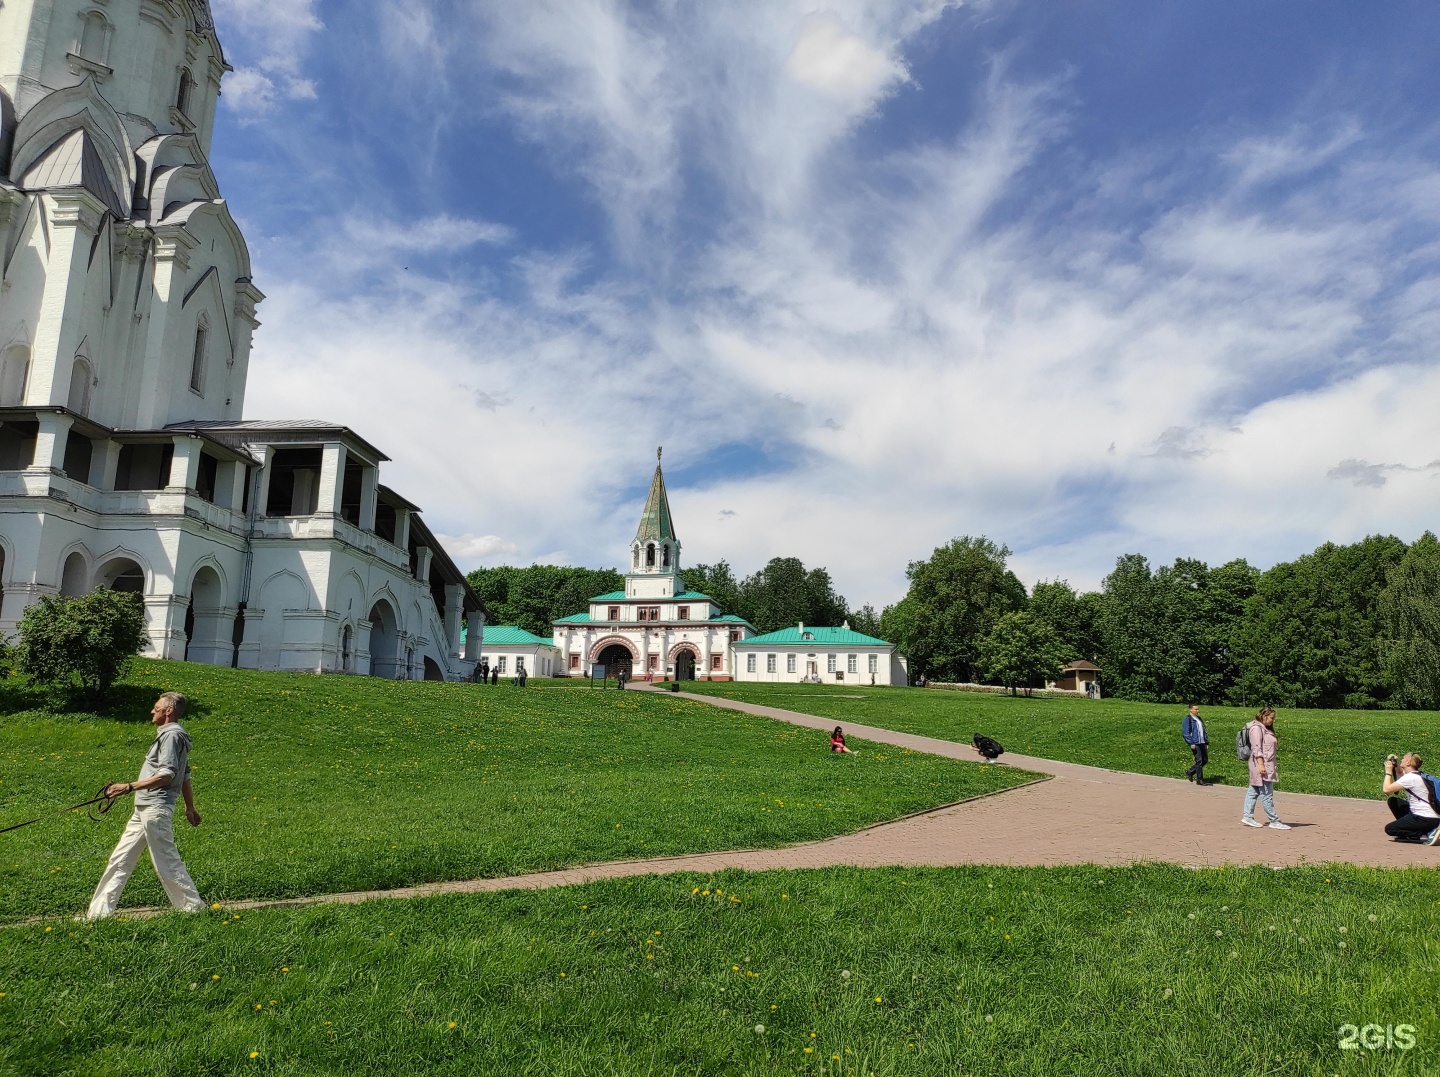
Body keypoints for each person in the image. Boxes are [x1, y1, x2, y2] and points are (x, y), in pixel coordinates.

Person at [85, 692, 206, 919]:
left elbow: (168, 775)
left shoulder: (172, 736)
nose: (153, 711)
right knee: (120, 859)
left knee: (167, 860)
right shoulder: (170, 736)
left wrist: (129, 786)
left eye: (156, 707)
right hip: (145, 808)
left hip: (156, 808)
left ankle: (193, 909)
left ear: (168, 710)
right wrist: (189, 807)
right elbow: (185, 775)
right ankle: (98, 915)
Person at [1241, 707, 1290, 830]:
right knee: (1267, 793)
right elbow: (1257, 748)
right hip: (1261, 765)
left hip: (1264, 764)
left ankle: (1248, 816)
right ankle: (1274, 820)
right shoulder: (1256, 729)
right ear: (1264, 716)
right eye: (1271, 718)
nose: (1273, 721)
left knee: (1254, 790)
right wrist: (1261, 765)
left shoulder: (1263, 728)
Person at [1381, 753, 1440, 844]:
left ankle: (1426, 833)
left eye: (1403, 758)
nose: (1402, 760)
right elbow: (1400, 772)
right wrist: (1396, 763)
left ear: (1408, 762)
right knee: (1393, 801)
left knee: (1390, 829)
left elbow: (1386, 789)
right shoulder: (1417, 775)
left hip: (1423, 818)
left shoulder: (1410, 778)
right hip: (1433, 818)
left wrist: (1388, 772)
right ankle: (1427, 829)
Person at [1182, 704, 1211, 785]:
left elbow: (1204, 730)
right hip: (1195, 743)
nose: (1197, 711)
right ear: (1190, 710)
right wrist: (1191, 743)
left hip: (1202, 742)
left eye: (1198, 709)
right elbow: (1186, 732)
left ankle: (1190, 771)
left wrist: (1206, 742)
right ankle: (1199, 780)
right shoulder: (1188, 719)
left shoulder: (1199, 719)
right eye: (1195, 709)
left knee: (1205, 760)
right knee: (1199, 761)